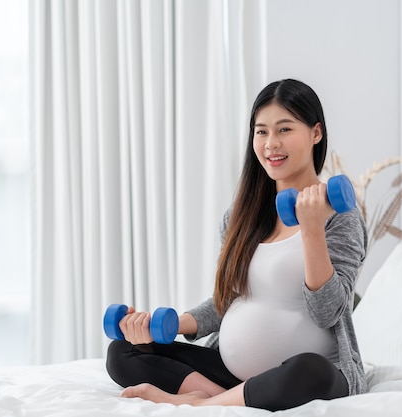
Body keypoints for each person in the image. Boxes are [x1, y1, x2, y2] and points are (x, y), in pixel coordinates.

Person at [105, 79, 368, 412]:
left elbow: (328, 311)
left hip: (309, 373)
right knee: (123, 352)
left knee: (310, 370)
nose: (272, 143)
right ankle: (215, 396)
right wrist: (162, 327)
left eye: (284, 129)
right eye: (261, 132)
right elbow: (228, 301)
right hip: (232, 374)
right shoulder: (239, 217)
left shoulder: (339, 216)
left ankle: (203, 405)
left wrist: (312, 229)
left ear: (316, 133)